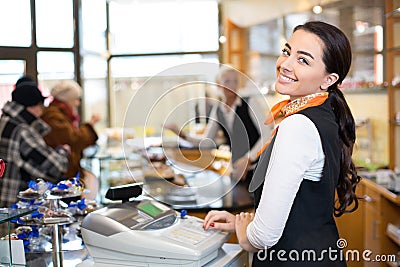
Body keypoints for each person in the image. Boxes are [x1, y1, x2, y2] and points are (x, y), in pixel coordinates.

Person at [203, 21, 360, 266]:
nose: (285, 64)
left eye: (303, 60)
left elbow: (263, 237)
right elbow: (299, 205)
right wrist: (240, 223)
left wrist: (248, 236)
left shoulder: (297, 126)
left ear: (328, 79)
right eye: (287, 52)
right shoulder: (321, 114)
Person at [166, 65, 272, 183]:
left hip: (260, 167)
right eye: (227, 81)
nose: (231, 85)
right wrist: (180, 133)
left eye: (235, 81)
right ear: (218, 84)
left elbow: (267, 134)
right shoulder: (218, 110)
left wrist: (248, 158)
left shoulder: (250, 102)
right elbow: (206, 142)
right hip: (237, 169)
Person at [0, 79, 70, 208]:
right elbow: (57, 166)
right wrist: (63, 151)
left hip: (4, 201)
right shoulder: (22, 129)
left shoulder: (4, 122)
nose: (41, 111)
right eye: (39, 105)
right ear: (31, 107)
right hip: (16, 205)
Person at [41, 80, 100, 200]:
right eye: (75, 99)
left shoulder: (60, 114)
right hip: (60, 175)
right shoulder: (53, 115)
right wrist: (90, 124)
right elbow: (73, 139)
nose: (77, 103)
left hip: (64, 172)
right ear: (66, 99)